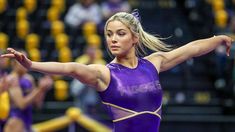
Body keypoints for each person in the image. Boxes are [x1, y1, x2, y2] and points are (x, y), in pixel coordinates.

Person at [1, 9, 233, 132]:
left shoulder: (154, 63)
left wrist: (219, 38)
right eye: (109, 34)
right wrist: (31, 65)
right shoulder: (104, 73)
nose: (113, 39)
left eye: (120, 33)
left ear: (134, 38)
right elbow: (69, 67)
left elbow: (191, 49)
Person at [2, 55, 53, 132]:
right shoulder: (11, 79)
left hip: (27, 120)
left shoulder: (28, 78)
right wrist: (39, 89)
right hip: (15, 120)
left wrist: (43, 89)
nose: (24, 63)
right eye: (20, 61)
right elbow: (21, 104)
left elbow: (37, 104)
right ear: (13, 64)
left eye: (25, 60)